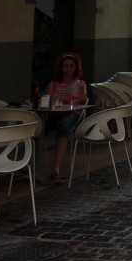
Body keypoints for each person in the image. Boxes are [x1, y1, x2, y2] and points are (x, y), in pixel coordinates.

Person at [44, 52, 88, 183]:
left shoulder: (80, 84)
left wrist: (65, 99)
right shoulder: (54, 83)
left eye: (71, 66)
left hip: (72, 114)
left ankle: (55, 169)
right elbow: (49, 98)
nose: (68, 69)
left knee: (63, 128)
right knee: (39, 129)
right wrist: (68, 99)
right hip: (55, 114)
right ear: (61, 68)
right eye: (65, 66)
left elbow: (83, 98)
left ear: (76, 67)